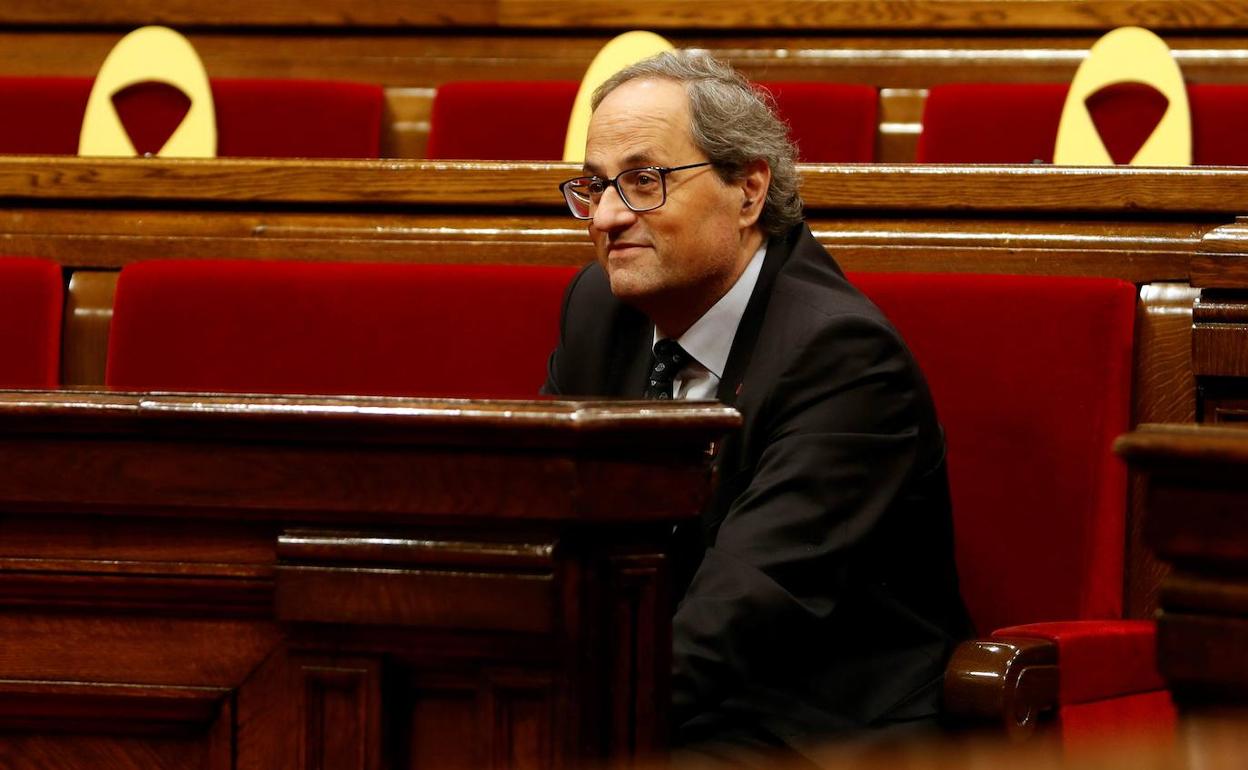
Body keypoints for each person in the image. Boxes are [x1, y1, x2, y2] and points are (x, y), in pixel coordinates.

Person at [543, 51, 972, 761]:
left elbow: (751, 603)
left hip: (812, 723)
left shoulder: (843, 355)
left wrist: (567, 711)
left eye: (644, 181)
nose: (609, 217)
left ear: (747, 191)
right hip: (659, 699)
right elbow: (548, 516)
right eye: (595, 186)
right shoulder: (598, 310)